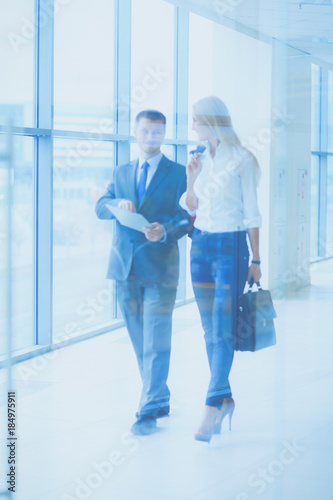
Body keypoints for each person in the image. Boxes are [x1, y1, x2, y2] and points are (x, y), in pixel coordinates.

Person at [95, 110, 190, 436]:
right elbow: (100, 206)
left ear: (163, 134)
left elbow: (186, 219)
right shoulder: (121, 172)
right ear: (135, 132)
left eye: (157, 132)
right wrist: (117, 202)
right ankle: (159, 394)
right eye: (146, 131)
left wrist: (164, 230)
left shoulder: (178, 173)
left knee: (156, 338)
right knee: (140, 340)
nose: (152, 137)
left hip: (161, 270)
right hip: (126, 269)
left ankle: (148, 407)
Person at [179, 96, 262, 443]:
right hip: (200, 245)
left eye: (197, 120)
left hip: (231, 249)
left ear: (212, 121)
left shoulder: (241, 159)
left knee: (223, 327)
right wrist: (191, 180)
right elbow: (191, 206)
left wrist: (256, 260)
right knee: (209, 329)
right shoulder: (197, 160)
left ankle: (212, 406)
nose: (193, 126)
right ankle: (225, 397)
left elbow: (252, 214)